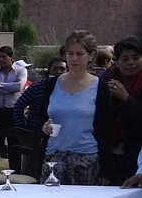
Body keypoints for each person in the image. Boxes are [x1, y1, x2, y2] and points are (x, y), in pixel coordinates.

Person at [39, 31, 111, 185]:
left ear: (90, 56)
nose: (74, 58)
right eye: (70, 53)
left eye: (79, 54)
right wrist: (43, 126)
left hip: (86, 158)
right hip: (53, 157)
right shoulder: (52, 84)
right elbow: (39, 116)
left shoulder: (100, 87)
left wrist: (106, 168)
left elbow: (105, 129)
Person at [101, 38, 142, 185]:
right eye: (125, 59)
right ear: (116, 62)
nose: (131, 63)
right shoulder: (105, 80)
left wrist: (127, 99)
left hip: (137, 150)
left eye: (136, 58)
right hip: (111, 150)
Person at [0, 46, 28, 172]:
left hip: (13, 111)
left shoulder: (20, 70)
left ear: (11, 58)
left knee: (14, 143)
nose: (1, 59)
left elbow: (19, 87)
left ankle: (16, 172)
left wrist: (1, 85)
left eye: (4, 56)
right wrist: (9, 87)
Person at [13, 57, 67, 131]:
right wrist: (21, 126)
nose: (58, 71)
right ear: (49, 71)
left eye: (62, 69)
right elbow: (18, 105)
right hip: (36, 131)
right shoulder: (37, 87)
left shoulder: (71, 89)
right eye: (55, 69)